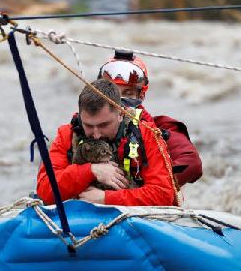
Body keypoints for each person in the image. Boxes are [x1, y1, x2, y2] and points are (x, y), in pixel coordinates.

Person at [36, 78, 177, 207]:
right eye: (89, 126)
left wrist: (106, 198)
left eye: (104, 125)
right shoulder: (67, 134)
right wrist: (89, 171)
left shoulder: (146, 134)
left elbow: (164, 194)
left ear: (121, 114)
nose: (96, 135)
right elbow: (45, 191)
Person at [97, 50, 203, 187]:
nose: (119, 101)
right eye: (113, 93)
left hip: (142, 199)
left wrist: (152, 186)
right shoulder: (86, 125)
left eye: (128, 93)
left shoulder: (161, 128)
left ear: (140, 96)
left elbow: (192, 164)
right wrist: (89, 171)